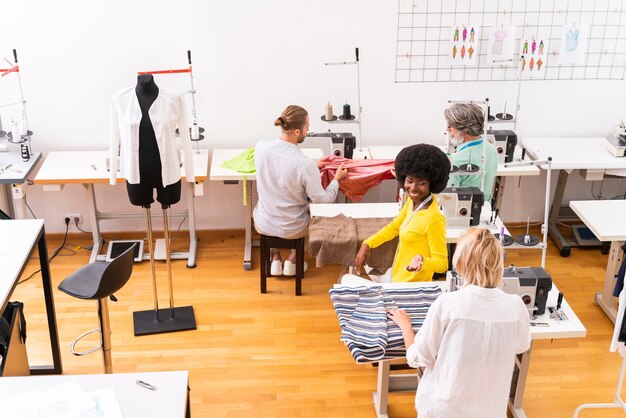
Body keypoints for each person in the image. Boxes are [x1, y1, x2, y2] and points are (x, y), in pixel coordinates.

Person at [387, 227, 531, 417]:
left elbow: (417, 358)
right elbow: (520, 346)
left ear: (461, 263)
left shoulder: (447, 304)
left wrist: (406, 326)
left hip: (444, 411)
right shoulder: (516, 306)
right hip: (490, 411)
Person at [253, 105, 347, 276]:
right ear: (297, 131)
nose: (308, 129)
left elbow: (282, 164)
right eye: (307, 126)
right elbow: (323, 201)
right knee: (309, 215)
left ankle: (275, 258)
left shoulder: (260, 148)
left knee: (267, 204)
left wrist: (312, 166)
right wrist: (336, 180)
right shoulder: (304, 164)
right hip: (293, 229)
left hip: (264, 223)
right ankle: (293, 259)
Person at [350, 144, 450, 283]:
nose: (413, 188)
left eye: (421, 183)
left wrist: (423, 262)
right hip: (396, 276)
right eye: (410, 181)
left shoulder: (434, 219)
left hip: (410, 285)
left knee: (346, 279)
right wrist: (367, 244)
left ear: (432, 184)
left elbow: (442, 264)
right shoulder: (412, 203)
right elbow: (394, 227)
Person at [445, 102, 498, 201]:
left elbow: (449, 197)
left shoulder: (456, 161)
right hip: (485, 207)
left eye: (450, 126)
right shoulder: (491, 149)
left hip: (462, 211)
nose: (447, 129)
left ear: (463, 129)